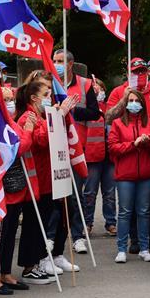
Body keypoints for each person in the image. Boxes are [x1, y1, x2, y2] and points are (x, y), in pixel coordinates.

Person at [107, 57, 150, 254]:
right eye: (135, 72)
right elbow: (108, 117)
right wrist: (124, 99)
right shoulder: (119, 91)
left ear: (148, 72)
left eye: (142, 71)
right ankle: (134, 239)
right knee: (129, 205)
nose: (139, 75)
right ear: (129, 73)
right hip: (127, 156)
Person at [15, 78, 78, 282]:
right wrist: (58, 116)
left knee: (44, 220)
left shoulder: (42, 116)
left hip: (49, 179)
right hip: (37, 181)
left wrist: (60, 116)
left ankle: (40, 259)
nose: (50, 99)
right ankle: (29, 266)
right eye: (46, 95)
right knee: (33, 224)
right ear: (34, 98)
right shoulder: (28, 117)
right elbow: (41, 141)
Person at [0, 88, 35, 295]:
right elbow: (17, 148)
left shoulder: (11, 122)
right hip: (1, 190)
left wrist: (26, 133)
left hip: (16, 189)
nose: (9, 103)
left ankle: (6, 273)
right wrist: (29, 131)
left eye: (11, 99)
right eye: (4, 100)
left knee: (11, 232)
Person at [108, 89, 150, 263]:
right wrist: (133, 144)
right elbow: (112, 147)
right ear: (126, 104)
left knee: (144, 211)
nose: (134, 103)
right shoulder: (118, 123)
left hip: (147, 174)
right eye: (130, 100)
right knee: (125, 212)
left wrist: (148, 143)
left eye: (137, 100)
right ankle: (121, 249)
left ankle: (144, 248)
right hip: (125, 175)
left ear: (143, 103)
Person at [53, 49, 100, 251]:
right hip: (52, 146)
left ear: (70, 63)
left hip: (74, 147)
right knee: (54, 196)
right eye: (55, 61)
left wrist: (71, 110)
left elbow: (94, 113)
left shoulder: (84, 84)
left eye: (60, 61)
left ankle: (78, 236)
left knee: (74, 195)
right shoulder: (49, 82)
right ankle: (52, 237)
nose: (57, 65)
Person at [83, 79, 117, 236]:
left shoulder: (110, 108)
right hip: (92, 156)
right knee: (90, 192)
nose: (98, 92)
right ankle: (87, 222)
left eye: (100, 88)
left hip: (109, 156)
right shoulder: (88, 109)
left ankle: (111, 222)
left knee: (109, 192)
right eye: (94, 89)